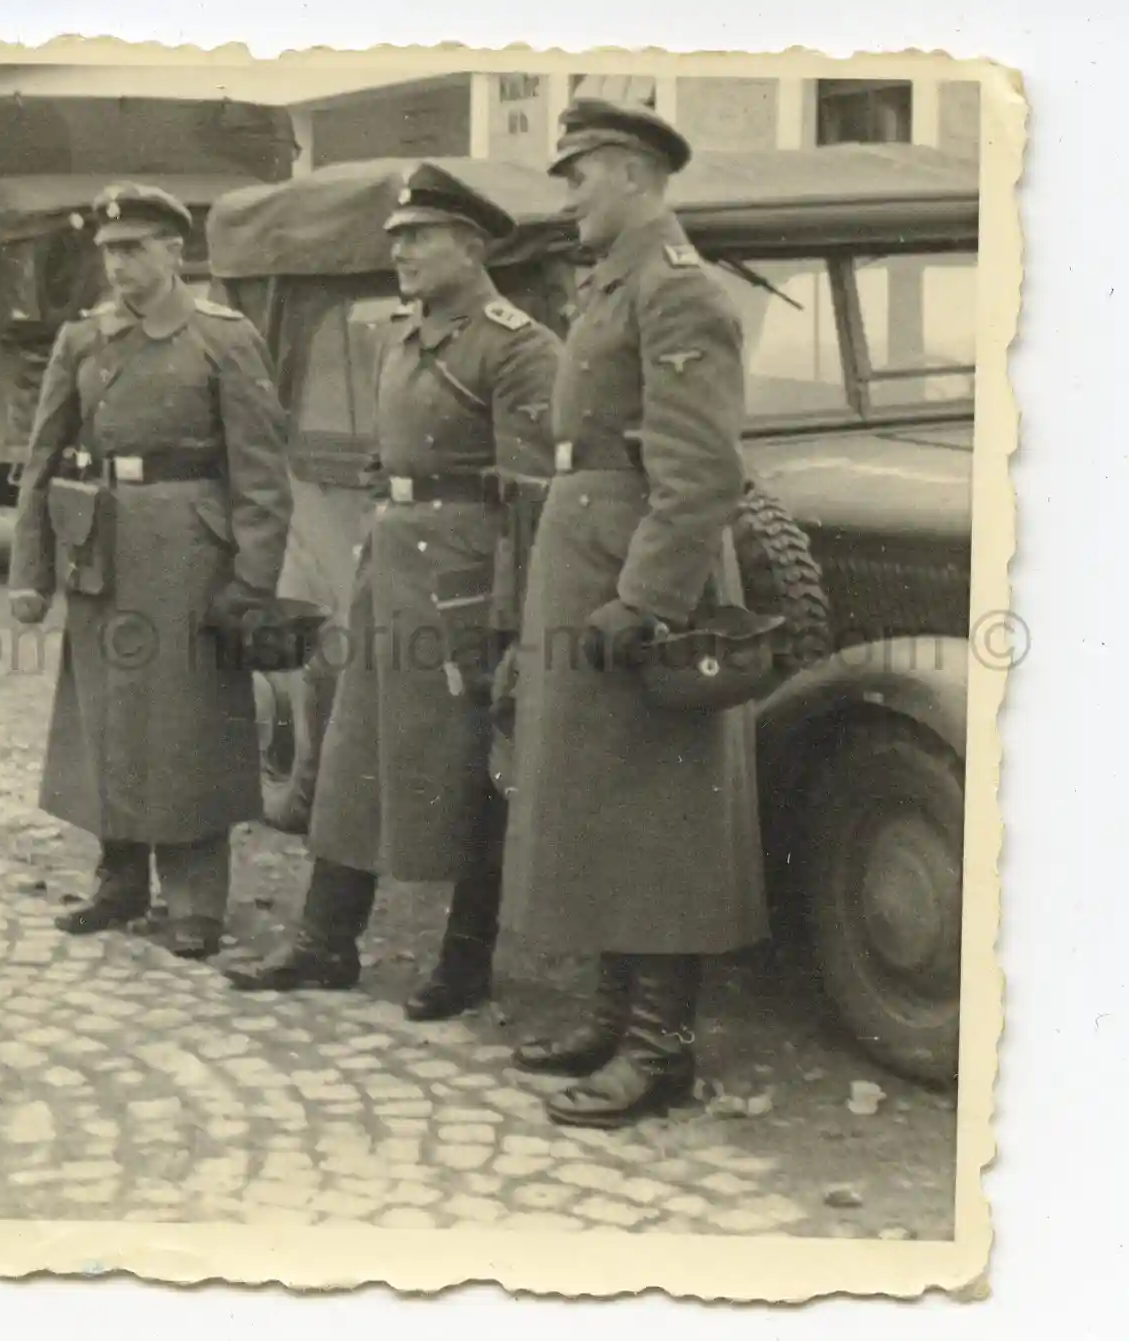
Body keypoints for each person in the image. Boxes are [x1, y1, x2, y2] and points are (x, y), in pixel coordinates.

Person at [225, 164, 561, 1018]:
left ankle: (465, 960)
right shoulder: (402, 338)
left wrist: (507, 616)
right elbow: (391, 459)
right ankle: (323, 941)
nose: (400, 252)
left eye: (418, 237)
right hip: (390, 569)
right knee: (351, 752)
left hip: (462, 584)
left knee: (470, 767)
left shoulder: (519, 348)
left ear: (473, 245)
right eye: (396, 239)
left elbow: (530, 501)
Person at [502, 99, 769, 1128]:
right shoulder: (612, 284)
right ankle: (613, 1016)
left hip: (641, 577)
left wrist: (645, 597)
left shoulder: (674, 288)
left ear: (625, 171)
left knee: (657, 818)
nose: (565, 196)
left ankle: (660, 1051)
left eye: (576, 175)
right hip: (590, 560)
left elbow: (700, 470)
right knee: (601, 800)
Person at [8, 182, 291, 960]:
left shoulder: (221, 338)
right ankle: (119, 879)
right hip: (100, 548)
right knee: (106, 718)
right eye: (108, 251)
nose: (119, 265)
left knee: (186, 727)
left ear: (175, 252)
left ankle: (196, 901)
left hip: (189, 557)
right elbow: (39, 459)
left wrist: (251, 584)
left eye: (134, 248)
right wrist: (30, 571)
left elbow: (262, 473)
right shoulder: (82, 341)